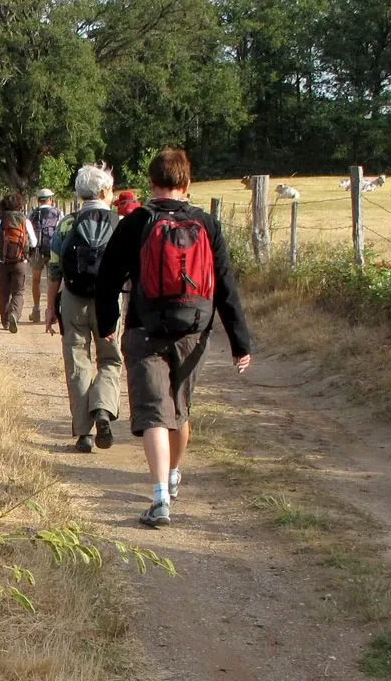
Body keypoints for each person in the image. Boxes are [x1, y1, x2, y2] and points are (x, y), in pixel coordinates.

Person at [95, 148, 254, 527]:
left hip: (144, 328)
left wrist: (106, 323)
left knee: (153, 412)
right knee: (179, 411)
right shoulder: (208, 224)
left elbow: (108, 280)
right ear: (187, 183)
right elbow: (226, 287)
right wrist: (240, 343)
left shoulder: (136, 223)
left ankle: (159, 497)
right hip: (193, 332)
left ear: (152, 183)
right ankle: (172, 475)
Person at [45, 165, 124, 453]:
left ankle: (83, 433)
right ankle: (103, 409)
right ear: (105, 192)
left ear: (79, 193)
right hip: (109, 302)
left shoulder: (67, 224)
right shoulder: (120, 222)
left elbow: (55, 268)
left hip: (73, 298)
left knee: (78, 362)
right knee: (110, 359)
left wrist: (51, 307)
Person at [0, 193, 36, 332]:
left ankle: (5, 322)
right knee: (18, 292)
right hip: (20, 262)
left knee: (3, 293)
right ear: (20, 205)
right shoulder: (25, 221)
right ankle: (14, 314)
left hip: (1, 262)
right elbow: (34, 242)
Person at [28, 189, 64, 323]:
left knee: (36, 280)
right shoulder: (58, 213)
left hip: (37, 251)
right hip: (54, 251)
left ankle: (36, 310)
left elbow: (28, 230)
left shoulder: (32, 213)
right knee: (52, 281)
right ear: (50, 199)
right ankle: (51, 310)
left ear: (39, 200)